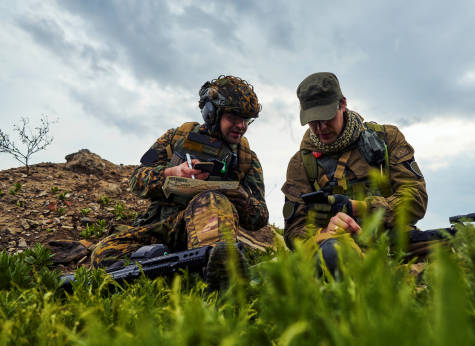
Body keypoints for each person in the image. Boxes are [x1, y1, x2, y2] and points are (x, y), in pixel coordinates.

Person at [91, 75, 268, 289]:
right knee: (103, 252)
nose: (241, 126)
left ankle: (218, 279)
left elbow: (260, 217)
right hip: (163, 228)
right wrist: (171, 173)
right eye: (234, 117)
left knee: (211, 201)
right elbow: (137, 180)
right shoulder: (176, 138)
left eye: (246, 120)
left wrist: (242, 198)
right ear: (212, 113)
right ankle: (172, 274)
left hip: (209, 233)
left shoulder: (247, 158)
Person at [282, 72, 427, 272]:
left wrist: (359, 208)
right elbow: (294, 231)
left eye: (326, 117)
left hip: (393, 243)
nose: (321, 127)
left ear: (342, 104)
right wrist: (326, 232)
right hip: (337, 251)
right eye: (313, 121)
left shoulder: (387, 139)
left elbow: (416, 200)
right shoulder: (301, 164)